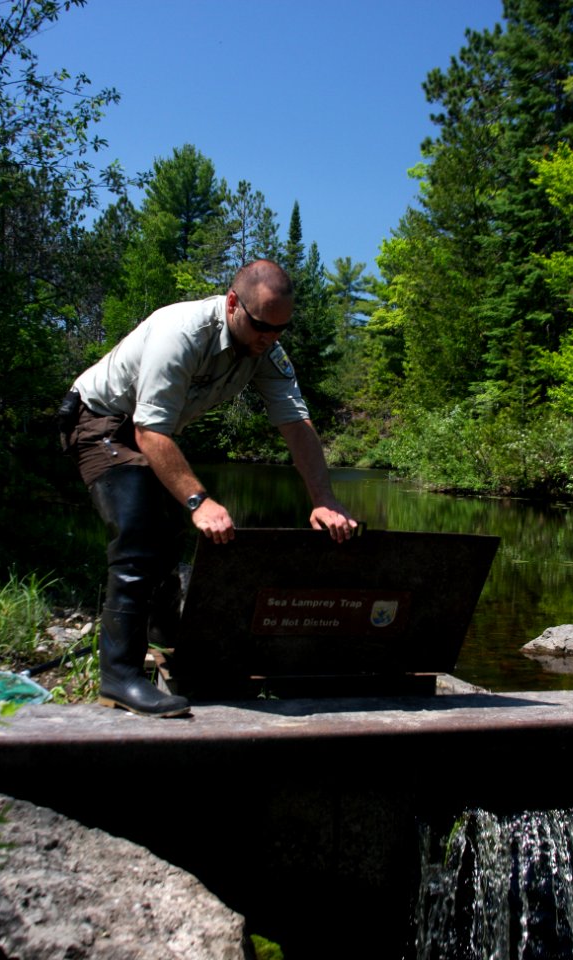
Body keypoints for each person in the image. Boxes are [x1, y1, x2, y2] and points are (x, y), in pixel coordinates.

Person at [59, 260, 357, 718]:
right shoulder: (180, 332)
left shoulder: (266, 350)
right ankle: (119, 678)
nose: (270, 338)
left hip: (146, 429)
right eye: (261, 325)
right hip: (101, 420)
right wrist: (199, 500)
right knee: (138, 537)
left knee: (168, 538)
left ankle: (169, 640)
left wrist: (324, 500)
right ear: (233, 304)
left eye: (281, 329)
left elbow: (297, 425)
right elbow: (149, 431)